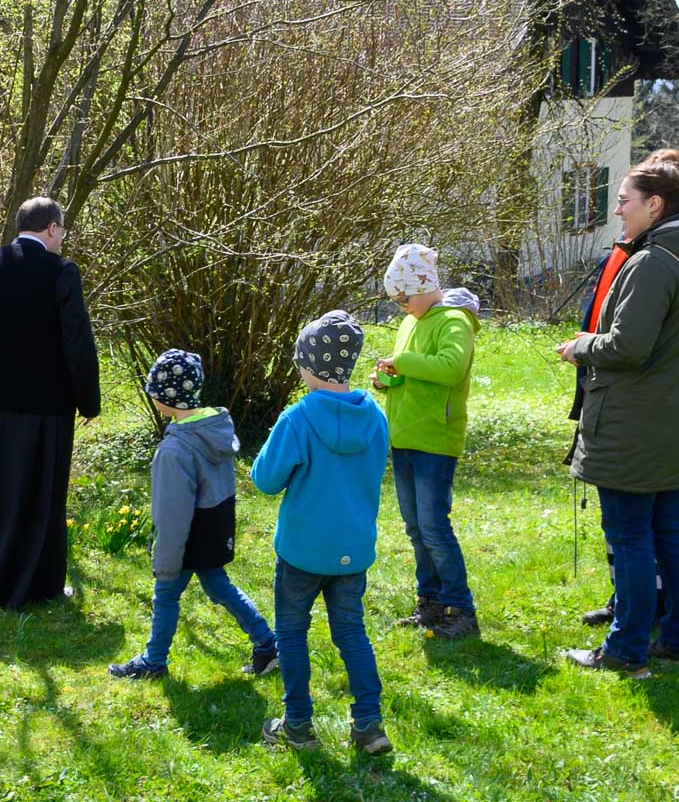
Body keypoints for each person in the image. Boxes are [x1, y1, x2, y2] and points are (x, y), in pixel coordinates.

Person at [557, 152, 679, 677]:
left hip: (636, 428)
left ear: (655, 205)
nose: (618, 211)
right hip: (674, 425)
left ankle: (625, 651)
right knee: (671, 533)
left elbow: (629, 346)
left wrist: (583, 345)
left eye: (624, 201)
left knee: (629, 538)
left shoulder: (652, 262)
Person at [0, 197, 100, 609]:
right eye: (61, 231)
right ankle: (37, 583)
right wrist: (88, 402)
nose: (62, 239)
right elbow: (77, 343)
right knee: (39, 495)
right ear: (51, 229)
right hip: (45, 410)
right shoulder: (61, 272)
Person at [252, 311, 392, 755]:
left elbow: (266, 479)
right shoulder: (374, 416)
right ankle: (369, 725)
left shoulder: (297, 418)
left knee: (292, 634)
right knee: (352, 633)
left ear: (308, 365)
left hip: (301, 552)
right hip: (352, 547)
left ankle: (297, 726)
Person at [108, 349, 278, 680]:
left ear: (164, 396)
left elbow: (172, 515)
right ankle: (267, 643)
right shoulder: (214, 430)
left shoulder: (174, 450)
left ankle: (154, 662)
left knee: (166, 594)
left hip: (186, 537)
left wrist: (166, 561)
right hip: (214, 527)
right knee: (219, 588)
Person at [370, 243, 483, 640]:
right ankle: (430, 602)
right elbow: (414, 374)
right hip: (404, 437)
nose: (401, 306)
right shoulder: (410, 322)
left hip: (436, 439)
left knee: (435, 526)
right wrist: (389, 380)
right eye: (395, 300)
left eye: (404, 297)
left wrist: (403, 363)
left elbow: (450, 369)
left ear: (425, 285)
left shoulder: (454, 321)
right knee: (416, 527)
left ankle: (461, 608)